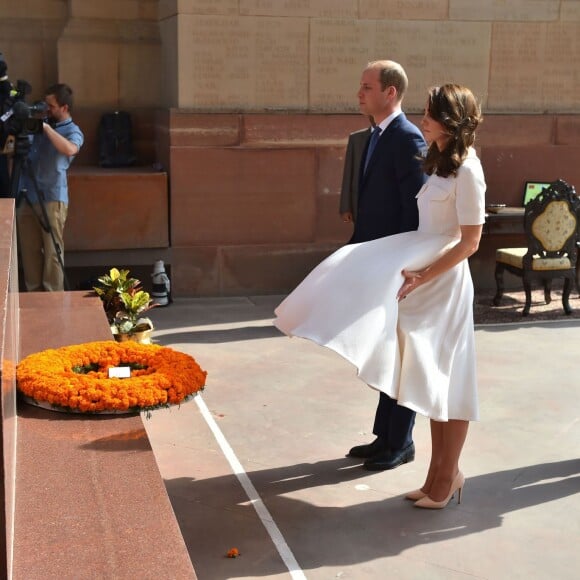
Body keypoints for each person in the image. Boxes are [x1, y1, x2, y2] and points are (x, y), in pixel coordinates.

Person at [274, 82, 486, 509]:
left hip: (442, 285)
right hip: (420, 283)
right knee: (429, 379)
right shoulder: (440, 165)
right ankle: (436, 476)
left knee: (451, 380)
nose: (422, 119)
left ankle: (446, 477)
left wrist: (423, 273)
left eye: (429, 114)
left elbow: (469, 243)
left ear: (450, 120)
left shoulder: (469, 171)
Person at [342, 60, 428, 472]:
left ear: (390, 92)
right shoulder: (378, 134)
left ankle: (402, 441)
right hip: (375, 259)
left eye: (367, 86)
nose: (359, 93)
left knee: (401, 354)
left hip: (397, 266)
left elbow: (415, 210)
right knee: (383, 351)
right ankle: (384, 436)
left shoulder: (407, 137)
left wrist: (404, 265)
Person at [16, 83, 84, 291]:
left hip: (52, 197)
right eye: (45, 104)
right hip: (26, 196)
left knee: (52, 251)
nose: (46, 109)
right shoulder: (36, 125)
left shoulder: (73, 131)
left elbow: (70, 149)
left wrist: (45, 129)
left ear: (64, 108)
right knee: (29, 251)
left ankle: (53, 297)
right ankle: (33, 294)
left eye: (51, 106)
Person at [339, 117, 373, 225]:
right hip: (358, 205)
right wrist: (345, 207)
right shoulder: (356, 138)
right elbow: (349, 173)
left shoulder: (395, 137)